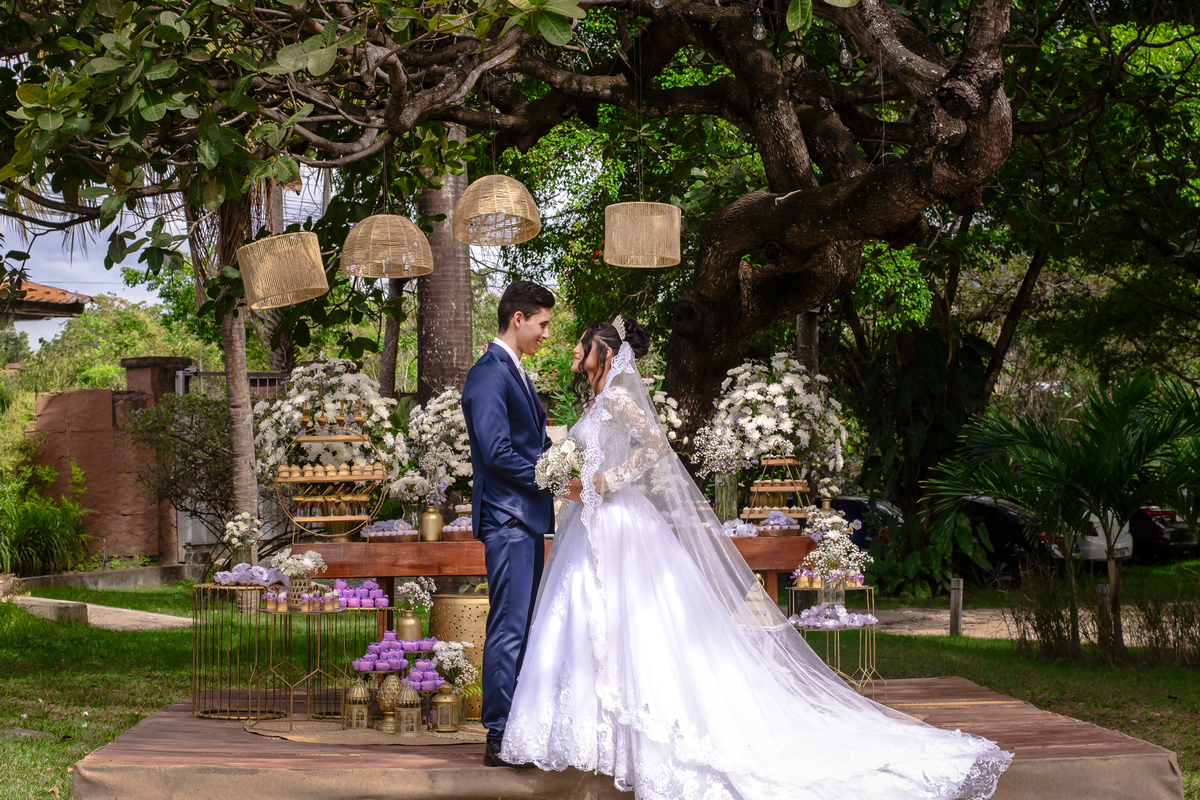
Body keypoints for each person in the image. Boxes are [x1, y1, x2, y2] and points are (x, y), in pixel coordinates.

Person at [500, 315, 1013, 800]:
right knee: (586, 619)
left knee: (631, 625)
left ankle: (639, 732)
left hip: (617, 519)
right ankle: (596, 739)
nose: (573, 349)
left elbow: (655, 444)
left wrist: (604, 480)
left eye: (581, 343)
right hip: (590, 523)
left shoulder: (615, 397)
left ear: (605, 352)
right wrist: (569, 477)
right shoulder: (595, 400)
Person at [460, 280, 556, 768]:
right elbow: (497, 452)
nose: (546, 334)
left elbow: (528, 441)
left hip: (525, 517)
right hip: (508, 517)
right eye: (542, 324)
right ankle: (498, 736)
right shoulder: (488, 373)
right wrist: (551, 475)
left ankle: (516, 727)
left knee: (522, 624)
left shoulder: (512, 370)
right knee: (509, 627)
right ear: (518, 319)